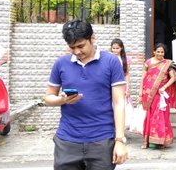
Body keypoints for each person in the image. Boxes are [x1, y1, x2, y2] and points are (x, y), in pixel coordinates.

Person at [44, 20, 128, 170]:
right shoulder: (61, 63)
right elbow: (48, 97)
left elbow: (119, 102)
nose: (77, 52)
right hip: (67, 141)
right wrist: (62, 100)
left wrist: (120, 140)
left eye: (81, 46)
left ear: (92, 38)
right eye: (72, 47)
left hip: (102, 141)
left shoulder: (111, 62)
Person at [138, 43, 176, 149]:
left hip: (160, 94)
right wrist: (140, 93)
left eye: (162, 52)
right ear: (154, 51)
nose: (160, 54)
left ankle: (161, 141)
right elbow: (143, 78)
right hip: (148, 93)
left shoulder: (167, 64)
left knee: (161, 116)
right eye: (158, 51)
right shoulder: (148, 62)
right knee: (149, 116)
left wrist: (164, 87)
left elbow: (173, 78)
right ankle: (146, 141)